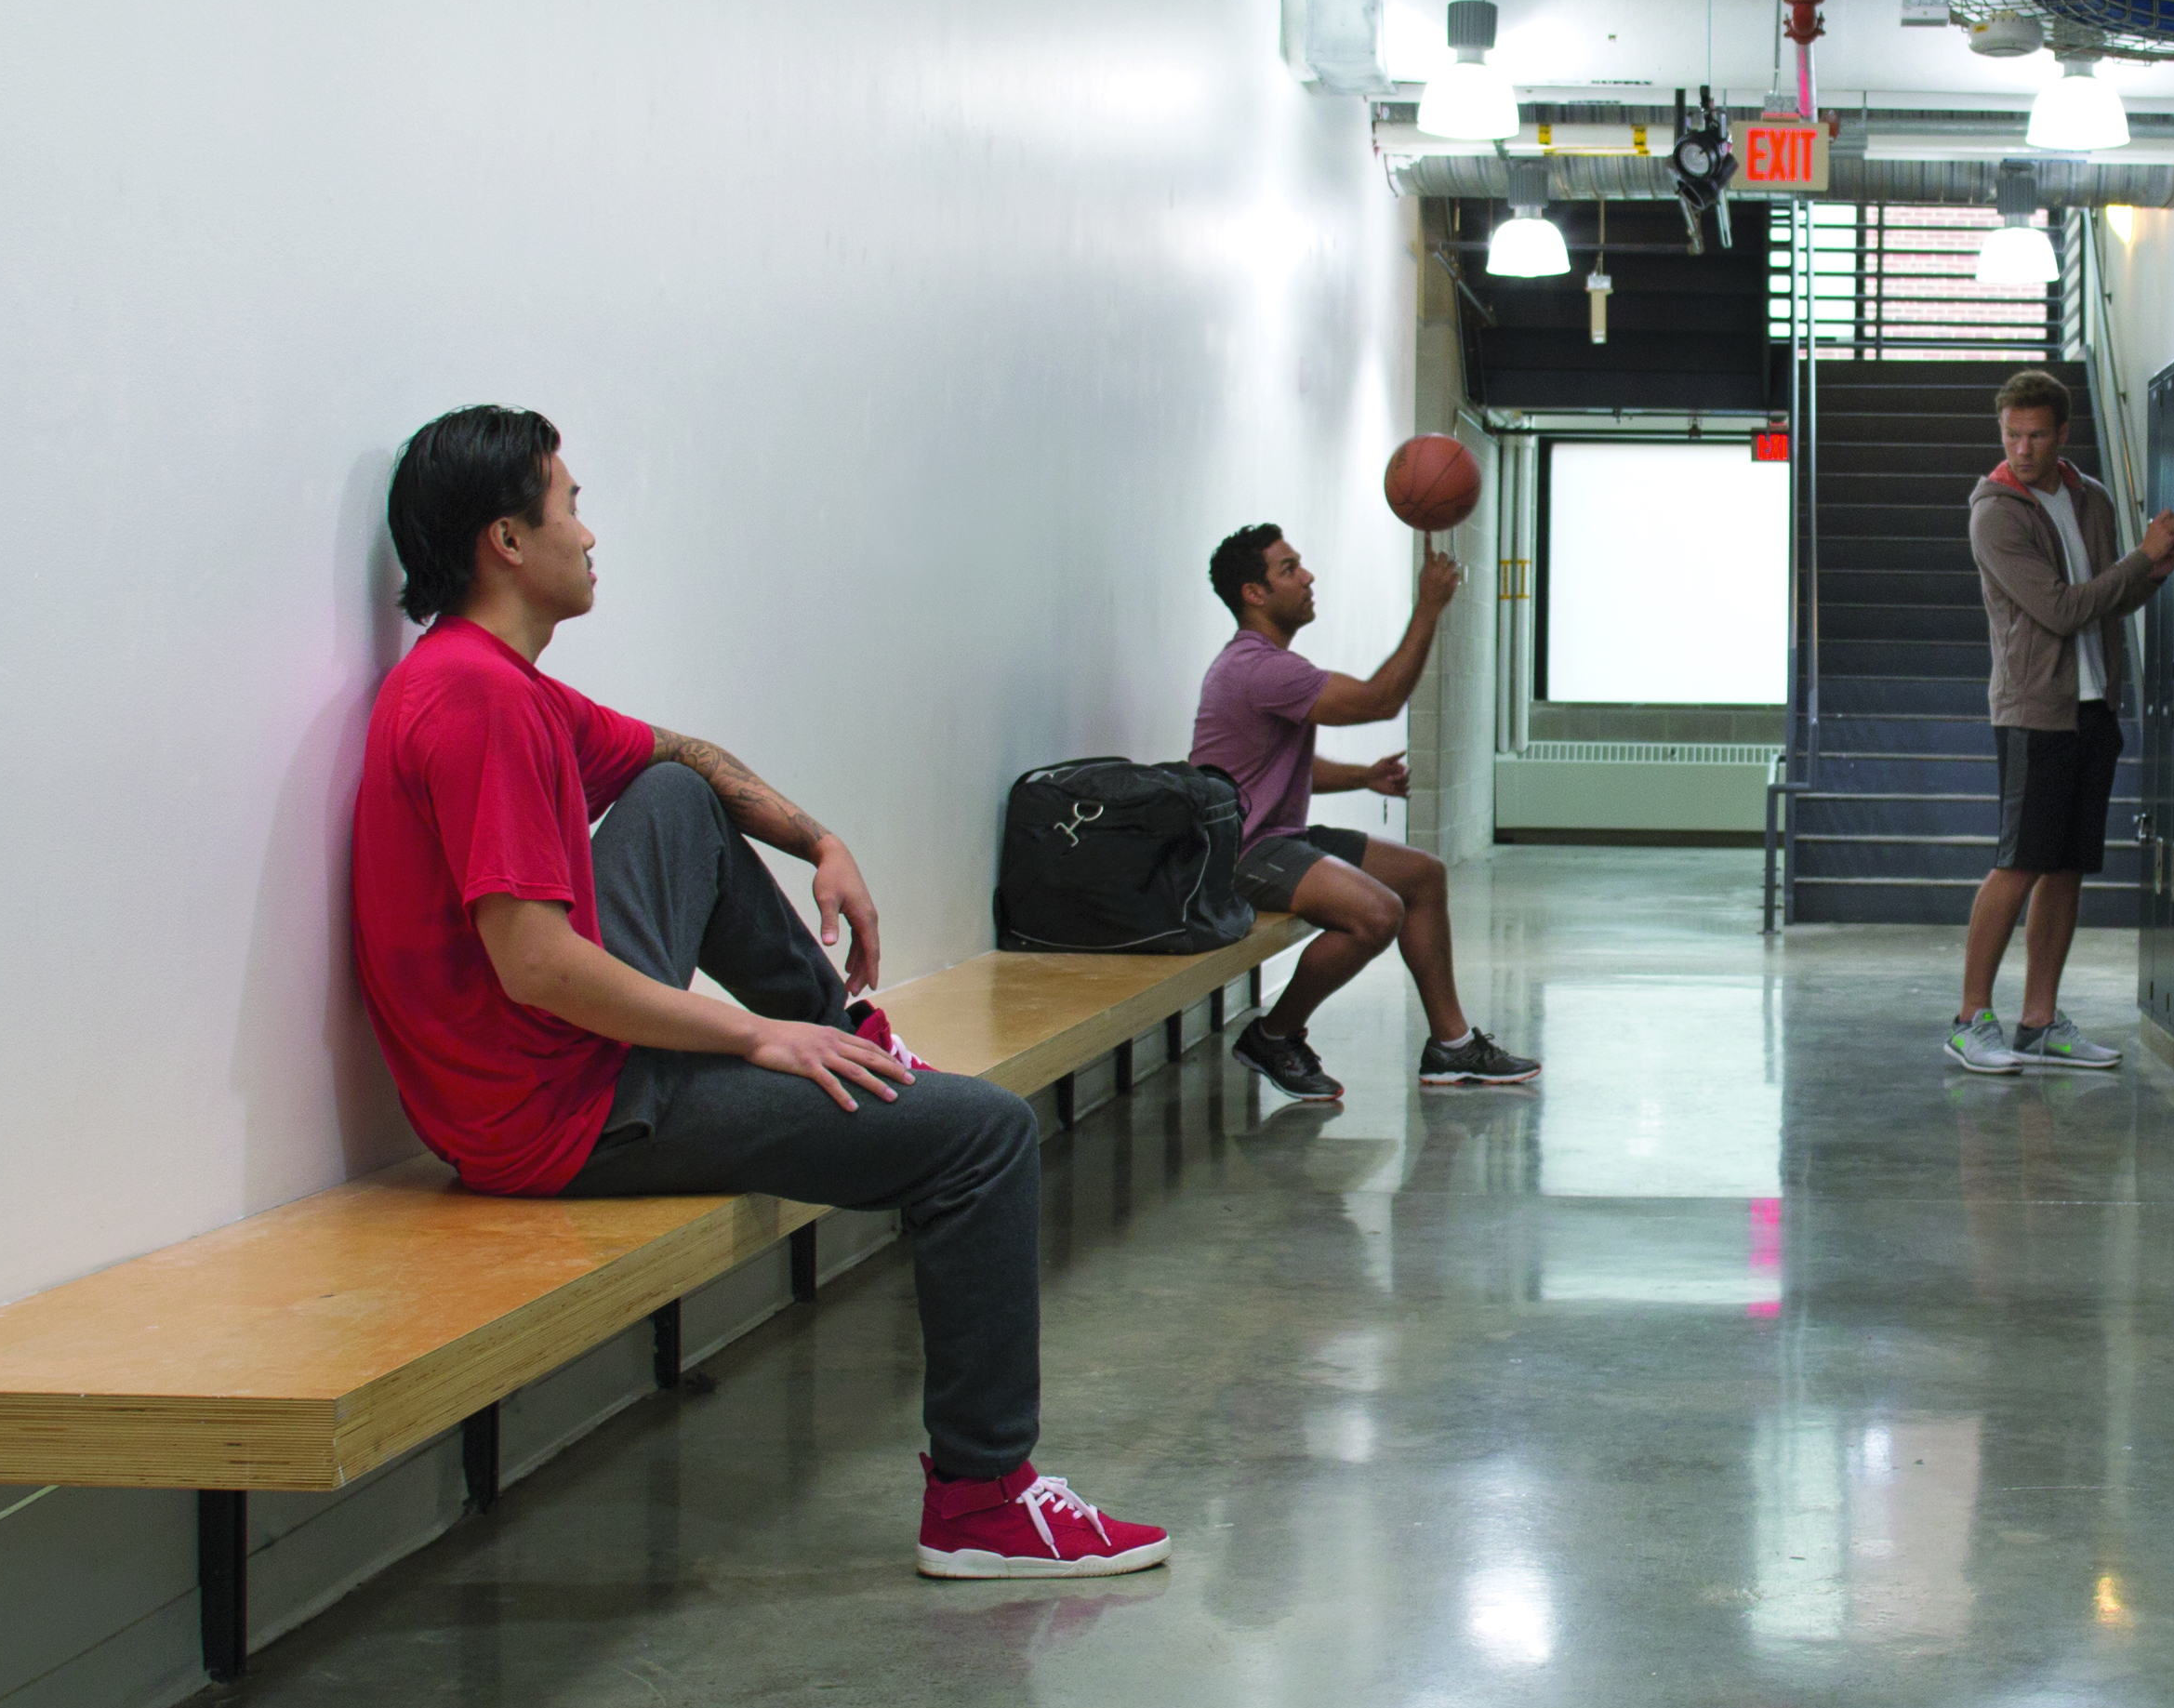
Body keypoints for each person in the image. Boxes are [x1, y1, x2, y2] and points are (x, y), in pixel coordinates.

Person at [351, 405, 1166, 1579]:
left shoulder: (489, 678)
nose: (591, 532)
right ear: (507, 543)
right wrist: (753, 1038)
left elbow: (679, 758)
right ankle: (982, 1502)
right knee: (982, 1139)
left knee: (683, 798)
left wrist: (819, 837)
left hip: (548, 1055)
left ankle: (855, 1039)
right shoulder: (476, 706)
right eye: (571, 505)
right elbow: (532, 963)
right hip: (552, 1114)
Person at [1193, 521, 1541, 1096]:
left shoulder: (1263, 664)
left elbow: (1270, 769)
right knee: (1377, 914)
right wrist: (1428, 607)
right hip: (1242, 852)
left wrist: (1361, 777)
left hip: (1278, 837)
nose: (1307, 577)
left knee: (1422, 876)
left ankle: (1451, 1048)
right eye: (1289, 569)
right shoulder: (1260, 667)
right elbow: (1380, 700)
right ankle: (1274, 1036)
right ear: (1253, 594)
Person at [1949, 368, 2174, 1075]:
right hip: (2035, 710)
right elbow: (2058, 610)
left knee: (2066, 870)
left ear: (2062, 434)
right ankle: (1969, 1018)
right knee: (2019, 864)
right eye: (2011, 434)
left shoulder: (2091, 499)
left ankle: (2040, 1021)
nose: (2022, 448)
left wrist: (2153, 573)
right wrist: (2138, 560)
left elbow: (2107, 604)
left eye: (2035, 435)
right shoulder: (1995, 513)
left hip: (2093, 704)